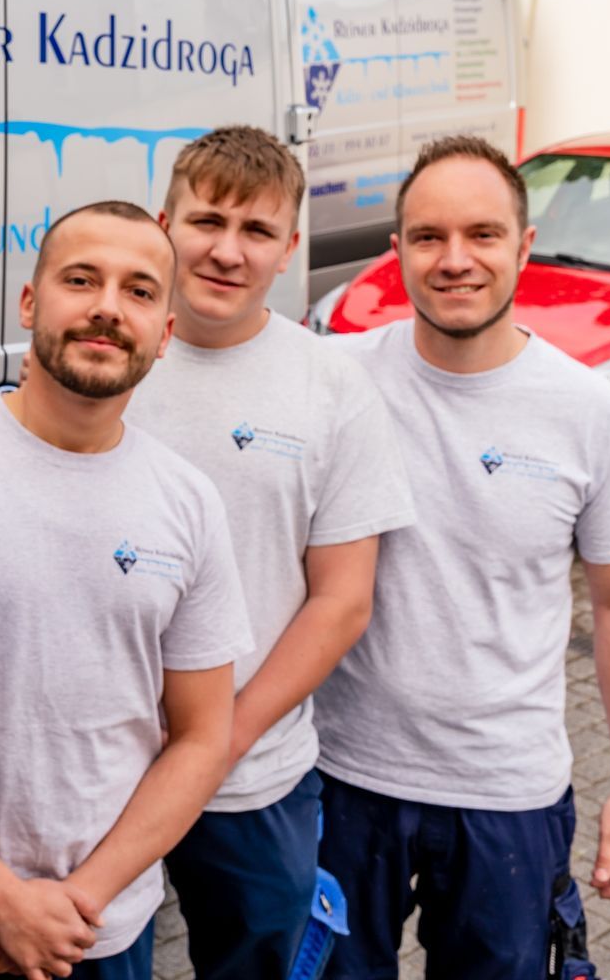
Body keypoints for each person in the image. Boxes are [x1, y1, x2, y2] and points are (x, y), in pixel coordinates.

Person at [0, 200, 254, 980]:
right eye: (81, 279)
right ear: (30, 301)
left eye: (140, 291)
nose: (108, 307)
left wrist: (77, 902)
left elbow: (203, 738)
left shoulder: (188, 503)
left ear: (165, 333)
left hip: (96, 933)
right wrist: (0, 897)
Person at [316, 134, 610, 978]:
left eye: (482, 234)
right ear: (396, 250)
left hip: (506, 794)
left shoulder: (590, 412)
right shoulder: (332, 379)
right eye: (428, 236)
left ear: (524, 245)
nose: (455, 260)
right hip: (341, 777)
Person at [124, 127, 414, 979]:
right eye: (206, 221)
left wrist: (217, 741)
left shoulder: (332, 386)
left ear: (289, 249)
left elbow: (342, 600)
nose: (227, 250)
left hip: (253, 775)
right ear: (164, 224)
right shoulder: (107, 357)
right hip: (97, 769)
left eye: (257, 231)